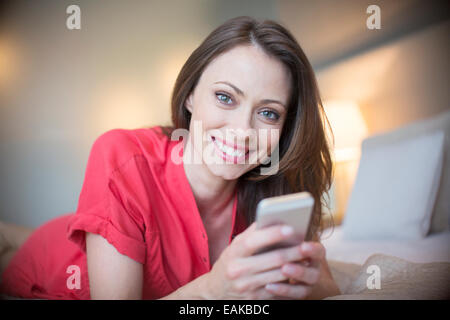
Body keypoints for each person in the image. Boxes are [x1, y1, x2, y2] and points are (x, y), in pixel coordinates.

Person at [0, 16, 340, 300]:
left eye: (268, 113)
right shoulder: (121, 154)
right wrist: (212, 289)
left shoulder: (275, 187)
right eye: (225, 97)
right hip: (55, 263)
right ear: (191, 94)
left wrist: (306, 283)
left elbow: (327, 283)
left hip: (112, 235)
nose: (243, 131)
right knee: (14, 252)